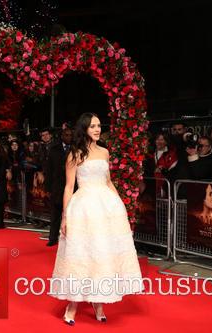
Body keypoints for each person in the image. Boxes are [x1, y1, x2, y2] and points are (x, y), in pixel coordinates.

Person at [50, 113, 143, 325]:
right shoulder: (74, 154)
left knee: (103, 253)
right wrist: (65, 217)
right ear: (84, 128)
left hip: (106, 208)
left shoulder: (104, 152)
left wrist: (121, 206)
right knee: (81, 253)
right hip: (83, 208)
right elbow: (68, 186)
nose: (97, 129)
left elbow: (108, 181)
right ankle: (72, 304)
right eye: (93, 126)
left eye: (99, 126)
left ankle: (98, 300)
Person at [45, 127, 73, 246]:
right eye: (66, 135)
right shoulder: (54, 149)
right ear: (62, 136)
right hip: (57, 186)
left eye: (70, 135)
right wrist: (48, 188)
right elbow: (49, 170)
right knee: (55, 214)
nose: (68, 137)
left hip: (72, 186)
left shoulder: (76, 149)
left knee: (71, 214)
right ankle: (52, 238)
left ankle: (70, 239)